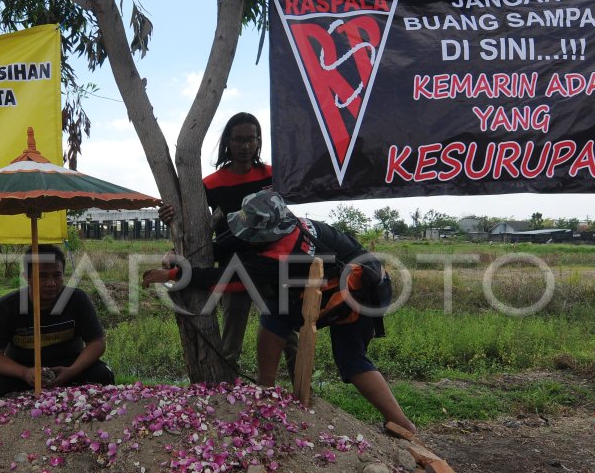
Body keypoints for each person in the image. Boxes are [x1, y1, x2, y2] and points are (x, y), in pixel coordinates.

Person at [144, 191, 417, 435]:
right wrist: (186, 256)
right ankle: (266, 392)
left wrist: (173, 274)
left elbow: (227, 279)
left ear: (266, 233)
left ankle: (400, 424)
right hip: (357, 277)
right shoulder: (284, 222)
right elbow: (235, 241)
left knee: (343, 354)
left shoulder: (280, 256)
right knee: (279, 315)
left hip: (361, 292)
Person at [158, 112, 295, 372]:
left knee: (286, 332)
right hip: (233, 267)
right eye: (238, 140)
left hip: (273, 264)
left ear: (258, 141)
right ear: (227, 142)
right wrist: (169, 216)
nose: (245, 146)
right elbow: (191, 221)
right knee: (232, 338)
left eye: (250, 139)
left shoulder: (273, 176)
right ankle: (227, 397)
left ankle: (301, 393)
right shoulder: (210, 184)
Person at [0, 244, 114, 396]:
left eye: (57, 275)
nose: (51, 283)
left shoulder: (77, 299)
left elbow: (97, 343)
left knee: (103, 375)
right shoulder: (6, 306)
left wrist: (72, 371)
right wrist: (24, 373)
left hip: (71, 365)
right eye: (42, 276)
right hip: (24, 369)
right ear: (26, 277)